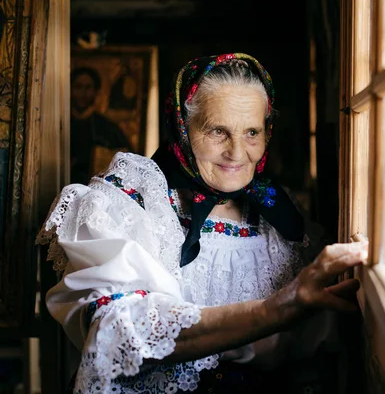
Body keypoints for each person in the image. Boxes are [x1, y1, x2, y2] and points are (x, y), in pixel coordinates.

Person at [37, 53, 367, 393]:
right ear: (182, 127)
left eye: (252, 132)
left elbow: (312, 355)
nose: (238, 153)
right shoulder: (132, 198)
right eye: (218, 131)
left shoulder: (279, 216)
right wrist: (277, 308)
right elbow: (113, 330)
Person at [70, 67, 133, 184]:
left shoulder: (108, 128)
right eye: (78, 87)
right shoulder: (62, 123)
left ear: (96, 91)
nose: (83, 93)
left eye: (88, 87)